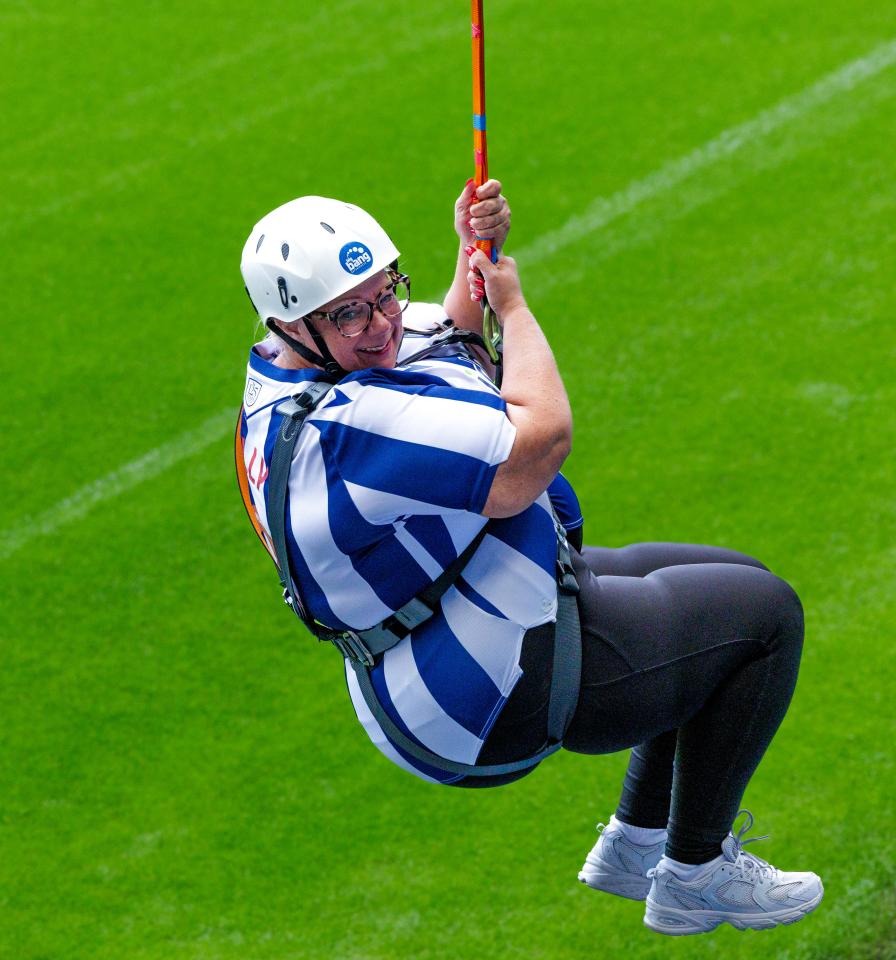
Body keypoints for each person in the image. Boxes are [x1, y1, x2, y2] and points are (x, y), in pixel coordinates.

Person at [234, 181, 822, 936]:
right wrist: (511, 306)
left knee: (734, 586)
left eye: (385, 292)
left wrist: (470, 256)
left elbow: (442, 332)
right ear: (291, 322)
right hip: (480, 690)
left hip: (461, 615)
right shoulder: (348, 429)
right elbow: (536, 446)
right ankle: (695, 875)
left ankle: (636, 845)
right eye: (350, 311)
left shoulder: (294, 367)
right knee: (765, 622)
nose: (380, 323)